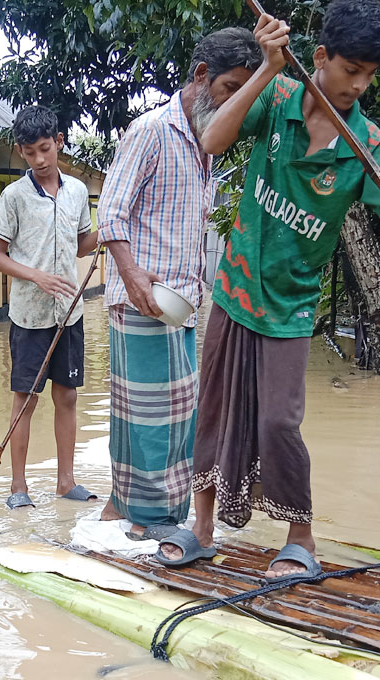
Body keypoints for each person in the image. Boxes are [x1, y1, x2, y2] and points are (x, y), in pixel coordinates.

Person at [156, 0, 380, 572]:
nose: (359, 85)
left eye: (369, 76)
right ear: (323, 56)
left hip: (291, 305)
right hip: (235, 289)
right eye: (351, 70)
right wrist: (266, 67)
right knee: (211, 406)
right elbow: (212, 141)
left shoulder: (366, 143)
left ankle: (300, 539)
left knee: (279, 421)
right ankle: (200, 527)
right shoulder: (277, 94)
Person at [95, 28, 263, 540]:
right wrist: (131, 274)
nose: (234, 100)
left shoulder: (206, 144)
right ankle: (156, 521)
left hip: (179, 303)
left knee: (144, 412)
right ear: (200, 76)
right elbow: (111, 213)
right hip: (144, 298)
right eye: (230, 87)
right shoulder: (152, 131)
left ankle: (123, 508)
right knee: (158, 420)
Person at [0, 105, 99, 509]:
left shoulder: (75, 192)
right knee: (26, 398)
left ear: (59, 144)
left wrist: (107, 232)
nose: (39, 159)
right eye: (31, 152)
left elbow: (81, 242)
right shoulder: (13, 197)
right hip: (29, 316)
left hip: (70, 312)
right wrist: (35, 275)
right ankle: (19, 487)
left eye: (46, 149)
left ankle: (66, 482)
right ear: (21, 151)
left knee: (67, 396)